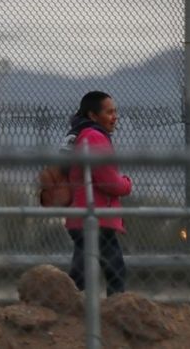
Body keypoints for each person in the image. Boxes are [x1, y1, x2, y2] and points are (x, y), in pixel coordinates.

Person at [65, 91, 133, 296]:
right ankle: (118, 312)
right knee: (115, 270)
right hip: (95, 215)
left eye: (115, 112)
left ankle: (67, 306)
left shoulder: (83, 134)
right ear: (93, 116)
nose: (115, 116)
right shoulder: (94, 137)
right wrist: (126, 184)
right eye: (109, 112)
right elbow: (108, 180)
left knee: (81, 271)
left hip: (84, 216)